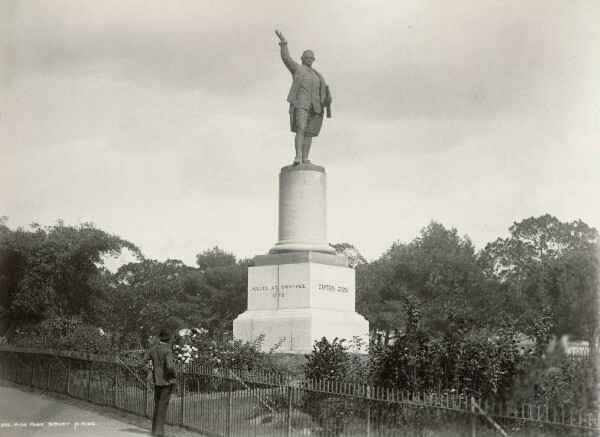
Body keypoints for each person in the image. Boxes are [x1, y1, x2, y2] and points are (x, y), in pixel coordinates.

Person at [276, 30, 332, 165]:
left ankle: (305, 158)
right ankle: (298, 156)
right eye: (307, 57)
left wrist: (327, 100)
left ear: (314, 60)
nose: (309, 59)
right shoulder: (298, 69)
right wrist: (283, 42)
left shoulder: (318, 76)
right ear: (302, 58)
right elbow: (286, 58)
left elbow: (324, 94)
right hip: (301, 104)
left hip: (315, 107)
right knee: (301, 128)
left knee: (309, 132)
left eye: (311, 57)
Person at [138, 328, 177, 437]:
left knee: (157, 405)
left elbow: (141, 363)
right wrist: (174, 373)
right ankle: (159, 433)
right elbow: (170, 366)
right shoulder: (168, 350)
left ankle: (154, 430)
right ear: (169, 339)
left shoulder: (152, 349)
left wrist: (150, 371)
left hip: (156, 381)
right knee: (162, 406)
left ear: (160, 338)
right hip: (167, 382)